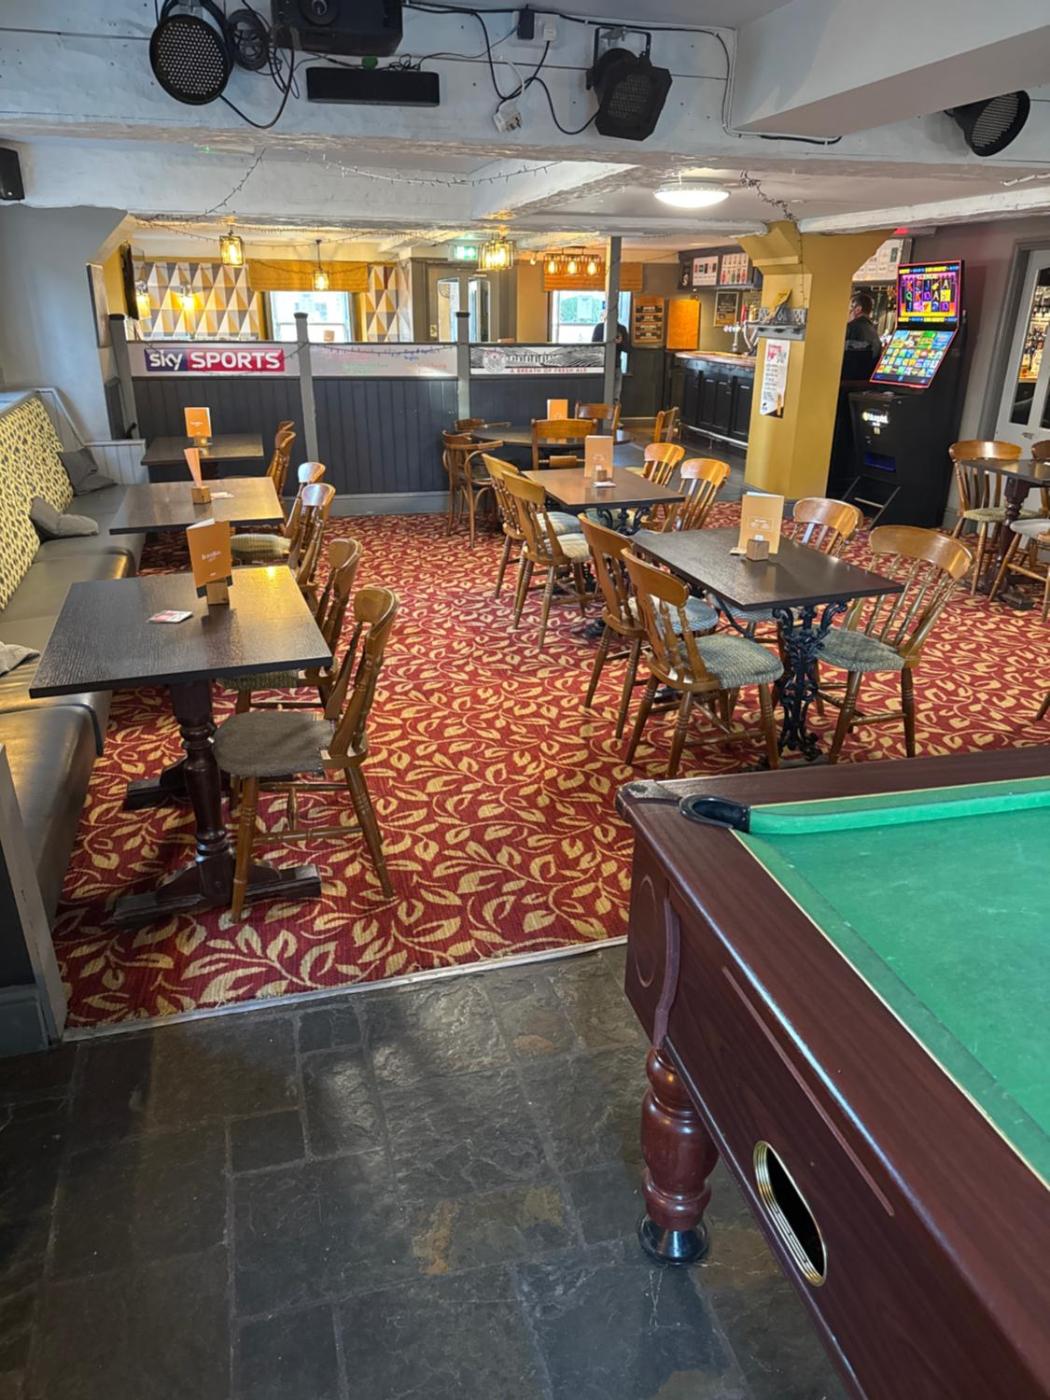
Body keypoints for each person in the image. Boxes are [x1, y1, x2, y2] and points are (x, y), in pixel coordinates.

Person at [841, 292, 882, 381]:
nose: (848, 312)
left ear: (858, 309)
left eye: (850, 308)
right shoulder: (873, 331)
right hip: (865, 380)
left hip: (847, 380)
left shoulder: (851, 327)